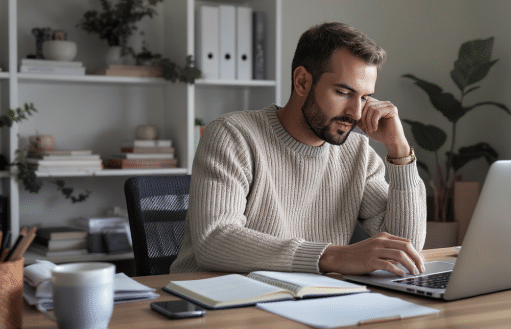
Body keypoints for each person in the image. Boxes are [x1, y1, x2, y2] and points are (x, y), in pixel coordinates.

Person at [170, 22, 426, 277]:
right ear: (302, 81)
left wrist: (399, 150)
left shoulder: (358, 153)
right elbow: (214, 241)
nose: (356, 113)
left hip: (305, 302)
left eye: (364, 97)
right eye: (343, 92)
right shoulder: (233, 135)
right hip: (214, 302)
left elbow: (404, 252)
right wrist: (334, 256)